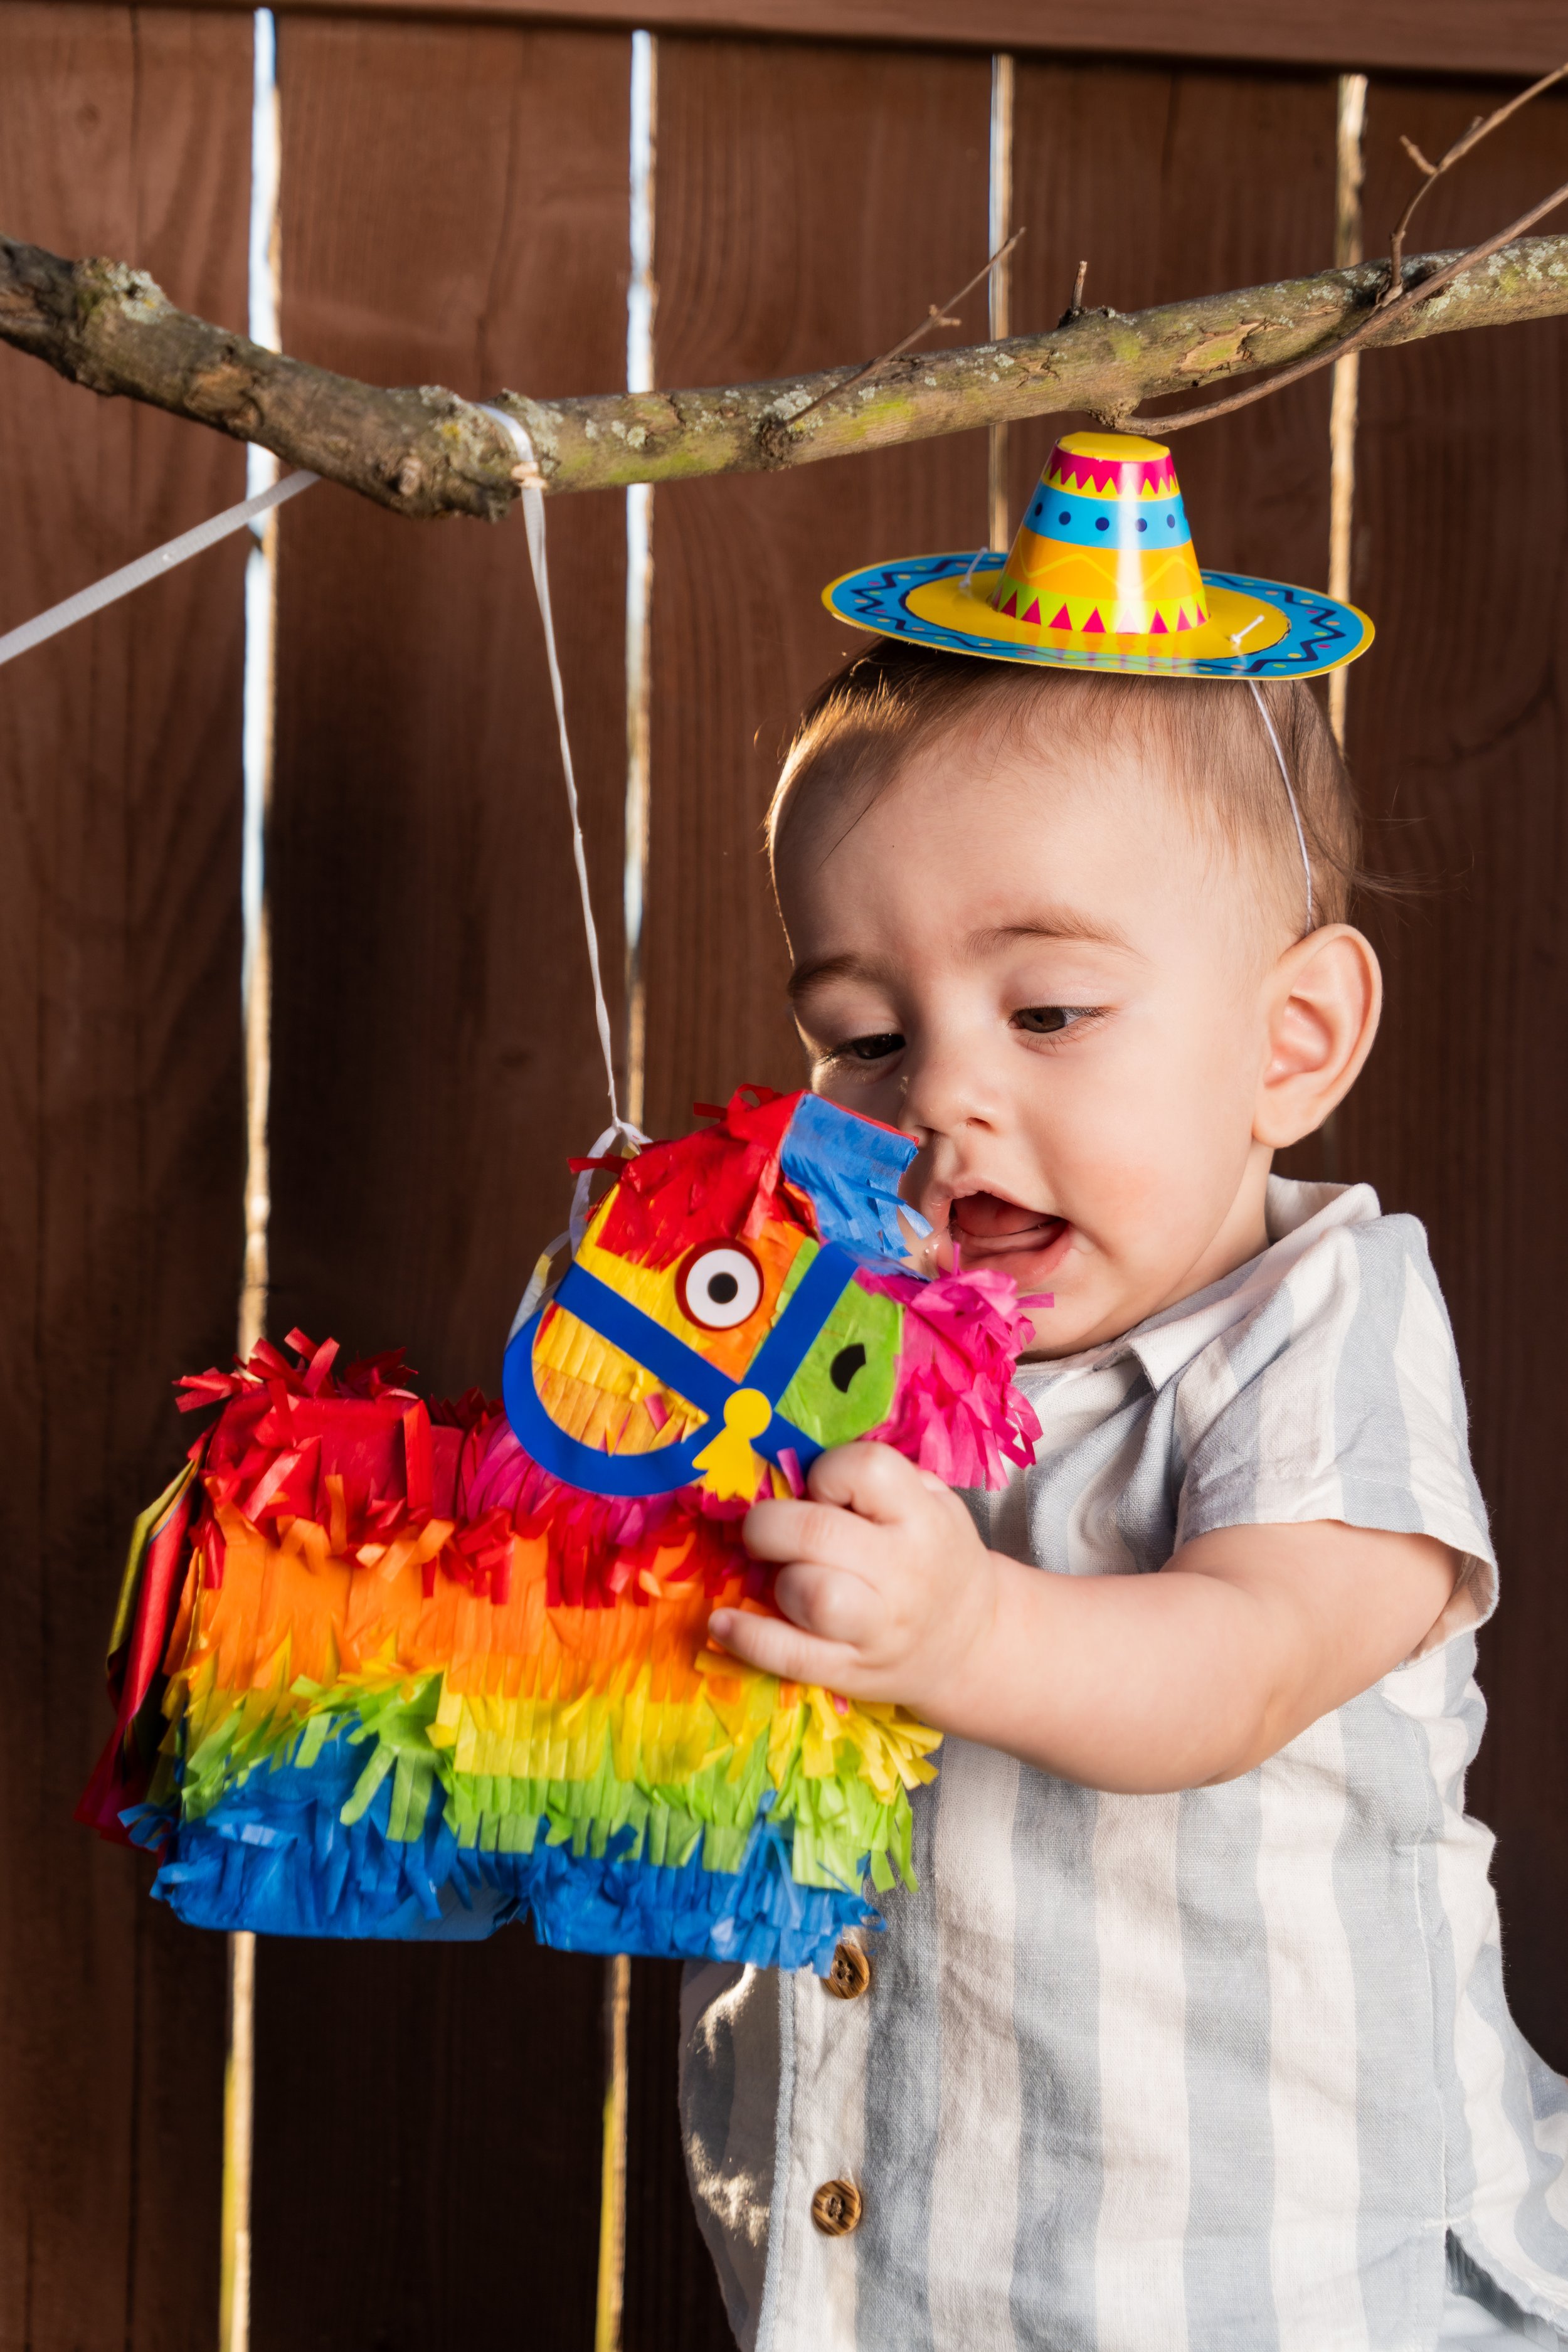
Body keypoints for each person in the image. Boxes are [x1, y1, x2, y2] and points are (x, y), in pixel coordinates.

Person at [678, 435, 1568, 2351]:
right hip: (890, 2257)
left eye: (1049, 1011)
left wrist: (960, 1623)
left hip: (1280, 2286)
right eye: (862, 1035)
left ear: (1291, 1039)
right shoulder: (819, 1340)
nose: (939, 1099)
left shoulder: (1316, 1323)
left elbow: (1231, 1669)